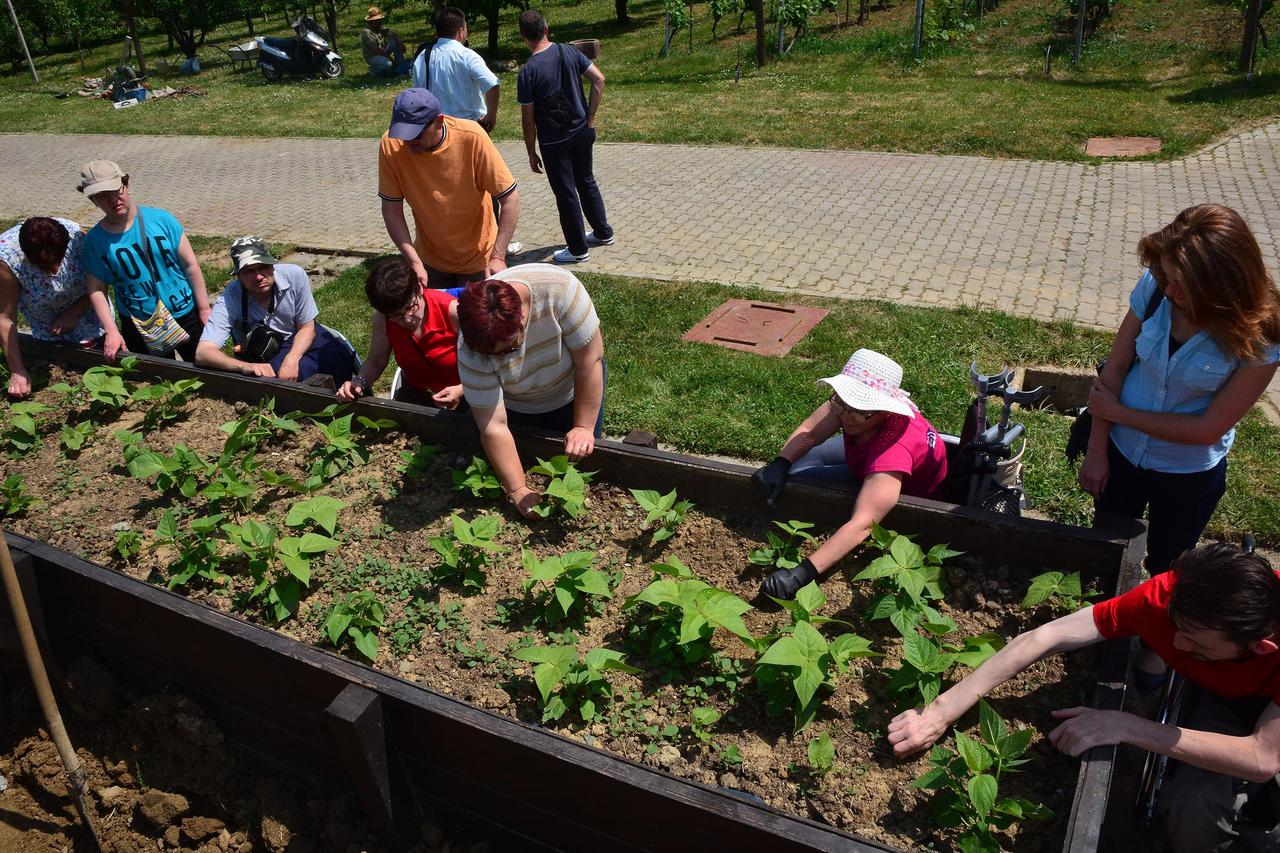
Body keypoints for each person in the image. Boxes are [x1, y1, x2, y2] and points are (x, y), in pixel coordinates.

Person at [887, 543, 1280, 853]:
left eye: (1194, 643)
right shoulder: (1169, 600)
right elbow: (1045, 637)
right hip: (1225, 693)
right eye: (1176, 627)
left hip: (1262, 717)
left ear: (1259, 647)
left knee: (1204, 811)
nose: (1174, 643)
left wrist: (1125, 725)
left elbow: (1262, 758)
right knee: (1191, 810)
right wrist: (941, 709)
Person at [1079, 204, 1280, 683]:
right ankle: (1106, 622)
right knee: (1109, 540)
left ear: (1224, 284)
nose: (1169, 290)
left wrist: (1119, 414)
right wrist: (1098, 447)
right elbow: (1116, 366)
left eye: (1181, 283)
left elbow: (1209, 428)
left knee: (1173, 565)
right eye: (1165, 276)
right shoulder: (1154, 292)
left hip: (1187, 471)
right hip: (1123, 453)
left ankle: (1159, 647)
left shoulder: (1261, 334)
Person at [750, 349, 948, 600]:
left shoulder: (893, 452)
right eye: (841, 404)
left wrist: (801, 573)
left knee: (801, 480)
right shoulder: (852, 409)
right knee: (797, 466)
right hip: (867, 454)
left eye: (859, 410)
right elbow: (811, 431)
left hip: (895, 485)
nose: (846, 416)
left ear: (885, 409)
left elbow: (863, 524)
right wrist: (779, 463)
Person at [454, 264, 605, 517]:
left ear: (523, 318)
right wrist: (518, 490)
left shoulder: (561, 291)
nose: (500, 359)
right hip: (518, 403)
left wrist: (583, 427)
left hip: (572, 388)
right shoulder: (470, 348)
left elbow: (589, 362)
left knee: (581, 464)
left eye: (508, 349)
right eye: (492, 355)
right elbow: (493, 426)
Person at [378, 88, 521, 291]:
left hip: (479, 260)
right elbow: (391, 210)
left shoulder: (472, 137)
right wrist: (414, 261)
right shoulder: (391, 145)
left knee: (476, 320)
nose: (409, 142)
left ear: (439, 121)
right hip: (428, 261)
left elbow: (510, 199)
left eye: (416, 134)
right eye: (403, 134)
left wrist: (498, 256)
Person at [78, 160, 211, 362]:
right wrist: (112, 330)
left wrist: (204, 309)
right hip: (139, 323)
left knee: (206, 370)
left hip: (185, 312)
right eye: (102, 196)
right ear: (93, 200)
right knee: (157, 380)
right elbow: (97, 289)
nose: (113, 200)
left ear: (126, 184)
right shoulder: (95, 241)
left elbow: (190, 266)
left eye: (116, 190)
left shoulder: (162, 220)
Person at [517, 10, 614, 265]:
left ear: (522, 36)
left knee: (566, 193)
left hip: (553, 142)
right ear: (546, 29)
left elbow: (528, 118)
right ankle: (603, 233)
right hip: (582, 130)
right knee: (587, 181)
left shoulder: (528, 72)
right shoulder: (568, 51)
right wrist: (590, 118)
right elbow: (599, 79)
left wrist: (530, 151)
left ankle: (577, 249)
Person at [195, 236, 355, 385]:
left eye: (263, 267)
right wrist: (244, 366)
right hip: (264, 353)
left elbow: (306, 327)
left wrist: (292, 359)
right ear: (238, 276)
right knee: (278, 380)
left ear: (272, 265)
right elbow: (203, 353)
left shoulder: (294, 276)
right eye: (249, 271)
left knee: (338, 356)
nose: (258, 277)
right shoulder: (229, 297)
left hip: (299, 334)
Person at [336, 257, 464, 408]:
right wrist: (359, 381)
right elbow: (376, 361)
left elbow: (490, 366)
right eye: (396, 316)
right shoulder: (382, 319)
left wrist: (462, 390)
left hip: (469, 394)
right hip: (418, 396)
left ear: (419, 288)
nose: (407, 320)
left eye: (410, 307)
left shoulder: (453, 311)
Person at [0, 216, 104, 398]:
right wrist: (17, 370)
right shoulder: (7, 259)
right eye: (45, 265)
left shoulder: (76, 237)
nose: (55, 269)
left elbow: (101, 280)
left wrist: (75, 311)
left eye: (59, 259)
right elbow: (5, 317)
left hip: (93, 320)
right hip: (49, 334)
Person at [412, 7, 499, 131]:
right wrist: (491, 117)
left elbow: (418, 95)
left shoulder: (422, 57)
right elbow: (492, 84)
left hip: (437, 131)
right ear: (461, 30)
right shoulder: (466, 56)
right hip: (469, 129)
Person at [361, 6, 409, 76]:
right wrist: (389, 57)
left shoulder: (379, 27)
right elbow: (376, 49)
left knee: (394, 42)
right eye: (377, 20)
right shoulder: (367, 32)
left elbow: (392, 34)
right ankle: (374, 70)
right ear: (371, 21)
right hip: (372, 56)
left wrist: (400, 43)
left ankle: (399, 67)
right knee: (388, 64)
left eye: (380, 20)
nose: (380, 22)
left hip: (382, 51)